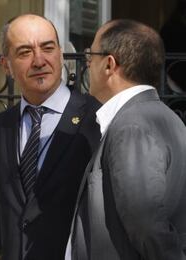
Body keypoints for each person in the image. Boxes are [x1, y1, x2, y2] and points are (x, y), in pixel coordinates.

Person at [0, 14, 101, 260]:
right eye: (25, 52)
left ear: (60, 54)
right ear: (6, 65)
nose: (39, 61)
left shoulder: (95, 118)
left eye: (47, 48)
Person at [70, 19, 186, 260]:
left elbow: (146, 223)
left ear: (109, 65)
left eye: (90, 55)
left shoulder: (132, 125)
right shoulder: (158, 117)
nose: (87, 64)